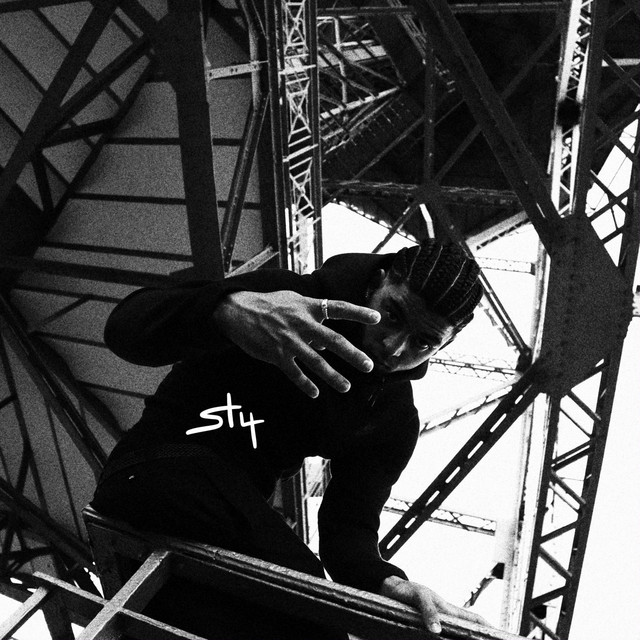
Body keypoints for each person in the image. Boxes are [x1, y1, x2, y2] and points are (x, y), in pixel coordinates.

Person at [91, 239, 486, 639]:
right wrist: (224, 310)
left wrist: (387, 580)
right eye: (393, 315)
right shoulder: (291, 298)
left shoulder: (392, 420)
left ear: (446, 344)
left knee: (307, 620)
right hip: (155, 465)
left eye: (423, 342)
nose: (394, 346)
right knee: (314, 618)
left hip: (218, 517)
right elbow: (124, 327)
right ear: (377, 282)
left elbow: (347, 528)